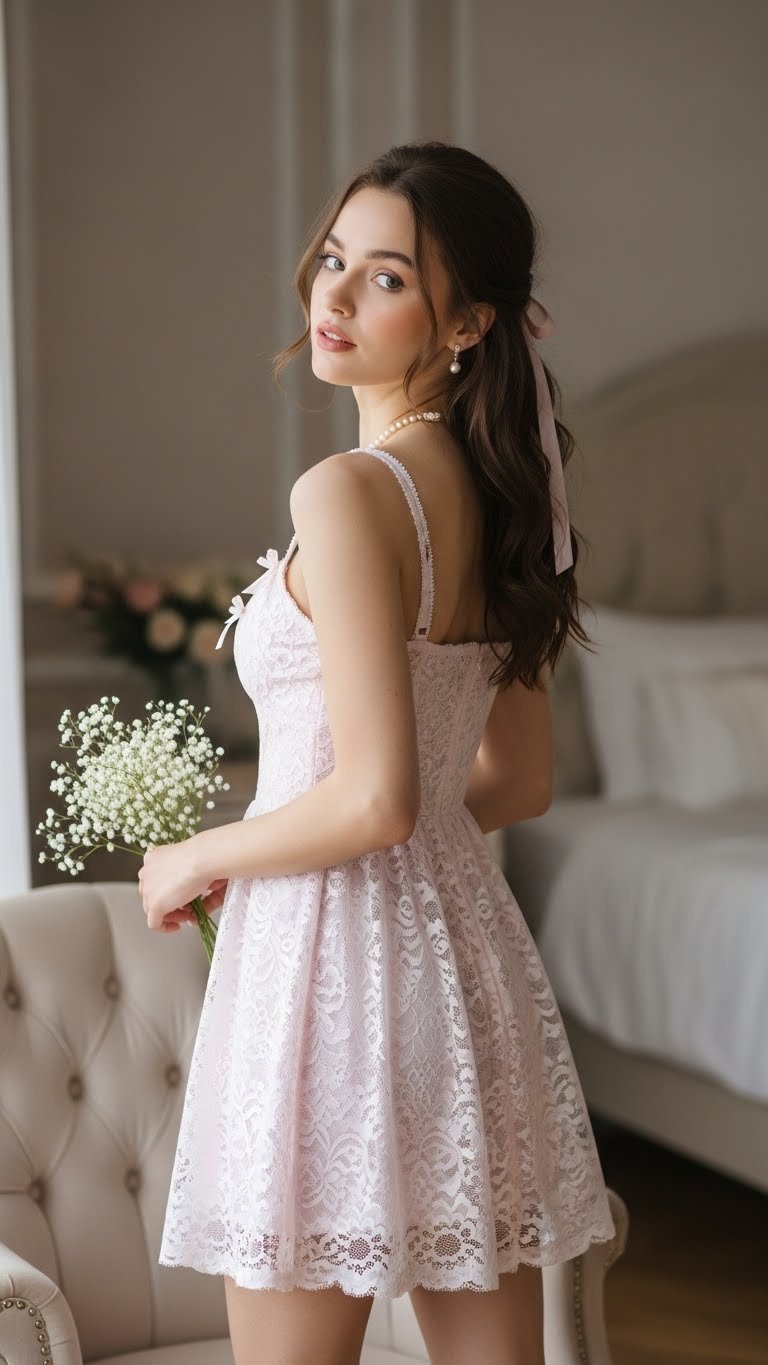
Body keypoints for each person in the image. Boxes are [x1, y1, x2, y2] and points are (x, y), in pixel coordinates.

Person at [144, 140, 616, 1365]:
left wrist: (197, 853)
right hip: (462, 978)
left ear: (467, 321)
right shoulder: (508, 496)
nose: (337, 299)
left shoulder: (347, 492)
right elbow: (514, 781)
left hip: (323, 981)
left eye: (388, 278)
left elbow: (375, 799)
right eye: (333, 262)